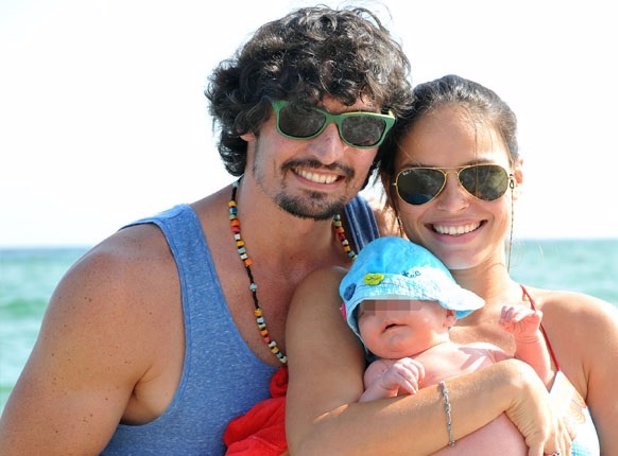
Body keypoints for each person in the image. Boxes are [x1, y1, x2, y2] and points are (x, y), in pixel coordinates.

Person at [0, 6, 412, 455]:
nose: (330, 151)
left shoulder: (386, 246)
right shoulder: (123, 286)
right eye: (301, 118)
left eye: (361, 126)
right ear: (247, 121)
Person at [285, 74, 618, 456]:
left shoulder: (591, 327)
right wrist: (507, 383)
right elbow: (318, 446)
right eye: (422, 181)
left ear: (515, 179)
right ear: (392, 189)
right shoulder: (347, 300)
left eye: (481, 178)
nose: (453, 203)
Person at [343, 236, 557, 455]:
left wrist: (528, 337)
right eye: (367, 310)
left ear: (448, 313)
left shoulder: (480, 352)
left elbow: (537, 381)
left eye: (399, 299)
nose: (383, 313)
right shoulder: (383, 371)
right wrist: (385, 388)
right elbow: (368, 427)